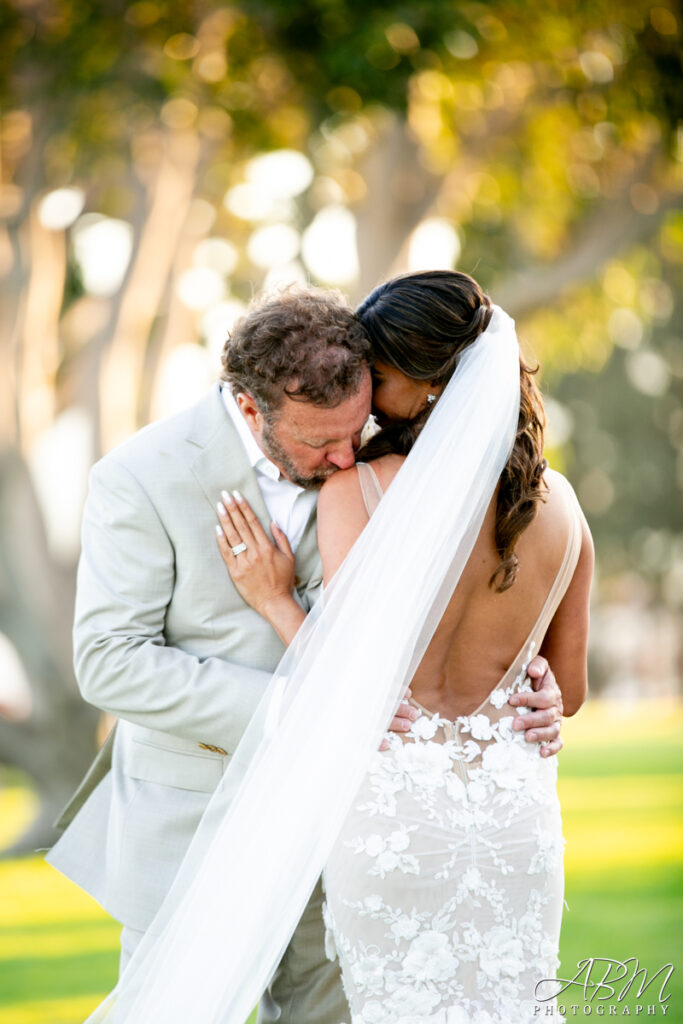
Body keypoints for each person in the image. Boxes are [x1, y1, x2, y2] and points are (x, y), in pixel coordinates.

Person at [47, 285, 560, 1024]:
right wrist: (300, 707)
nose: (345, 454)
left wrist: (524, 679)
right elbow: (109, 661)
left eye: (355, 429)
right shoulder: (139, 478)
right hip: (192, 833)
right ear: (253, 410)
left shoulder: (380, 467)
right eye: (320, 443)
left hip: (345, 832)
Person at [211, 271, 594, 1022]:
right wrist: (539, 684)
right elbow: (569, 693)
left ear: (425, 386)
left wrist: (274, 600)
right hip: (513, 821)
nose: (360, 392)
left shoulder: (356, 492)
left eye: (375, 374)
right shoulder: (562, 506)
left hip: (390, 818)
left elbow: (342, 678)